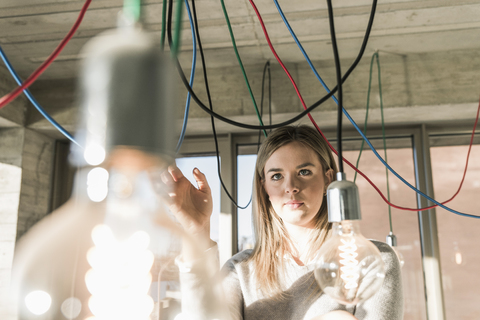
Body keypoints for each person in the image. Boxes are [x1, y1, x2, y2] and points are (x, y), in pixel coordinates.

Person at [161, 125, 403, 320]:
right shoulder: (242, 270)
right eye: (277, 176)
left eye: (304, 171)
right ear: (264, 186)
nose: (291, 187)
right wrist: (197, 231)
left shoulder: (373, 260)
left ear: (329, 179)